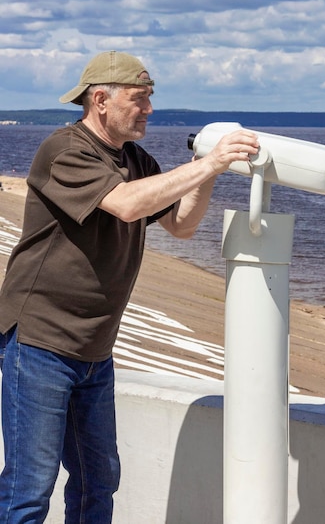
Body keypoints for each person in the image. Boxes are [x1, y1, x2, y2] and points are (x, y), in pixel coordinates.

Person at [0, 50, 259, 523]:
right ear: (100, 99)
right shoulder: (65, 150)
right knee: (28, 490)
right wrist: (209, 163)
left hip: (95, 350)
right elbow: (125, 204)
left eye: (149, 99)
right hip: (40, 344)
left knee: (98, 483)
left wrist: (208, 168)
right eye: (139, 99)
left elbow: (180, 224)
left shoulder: (136, 158)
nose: (149, 110)